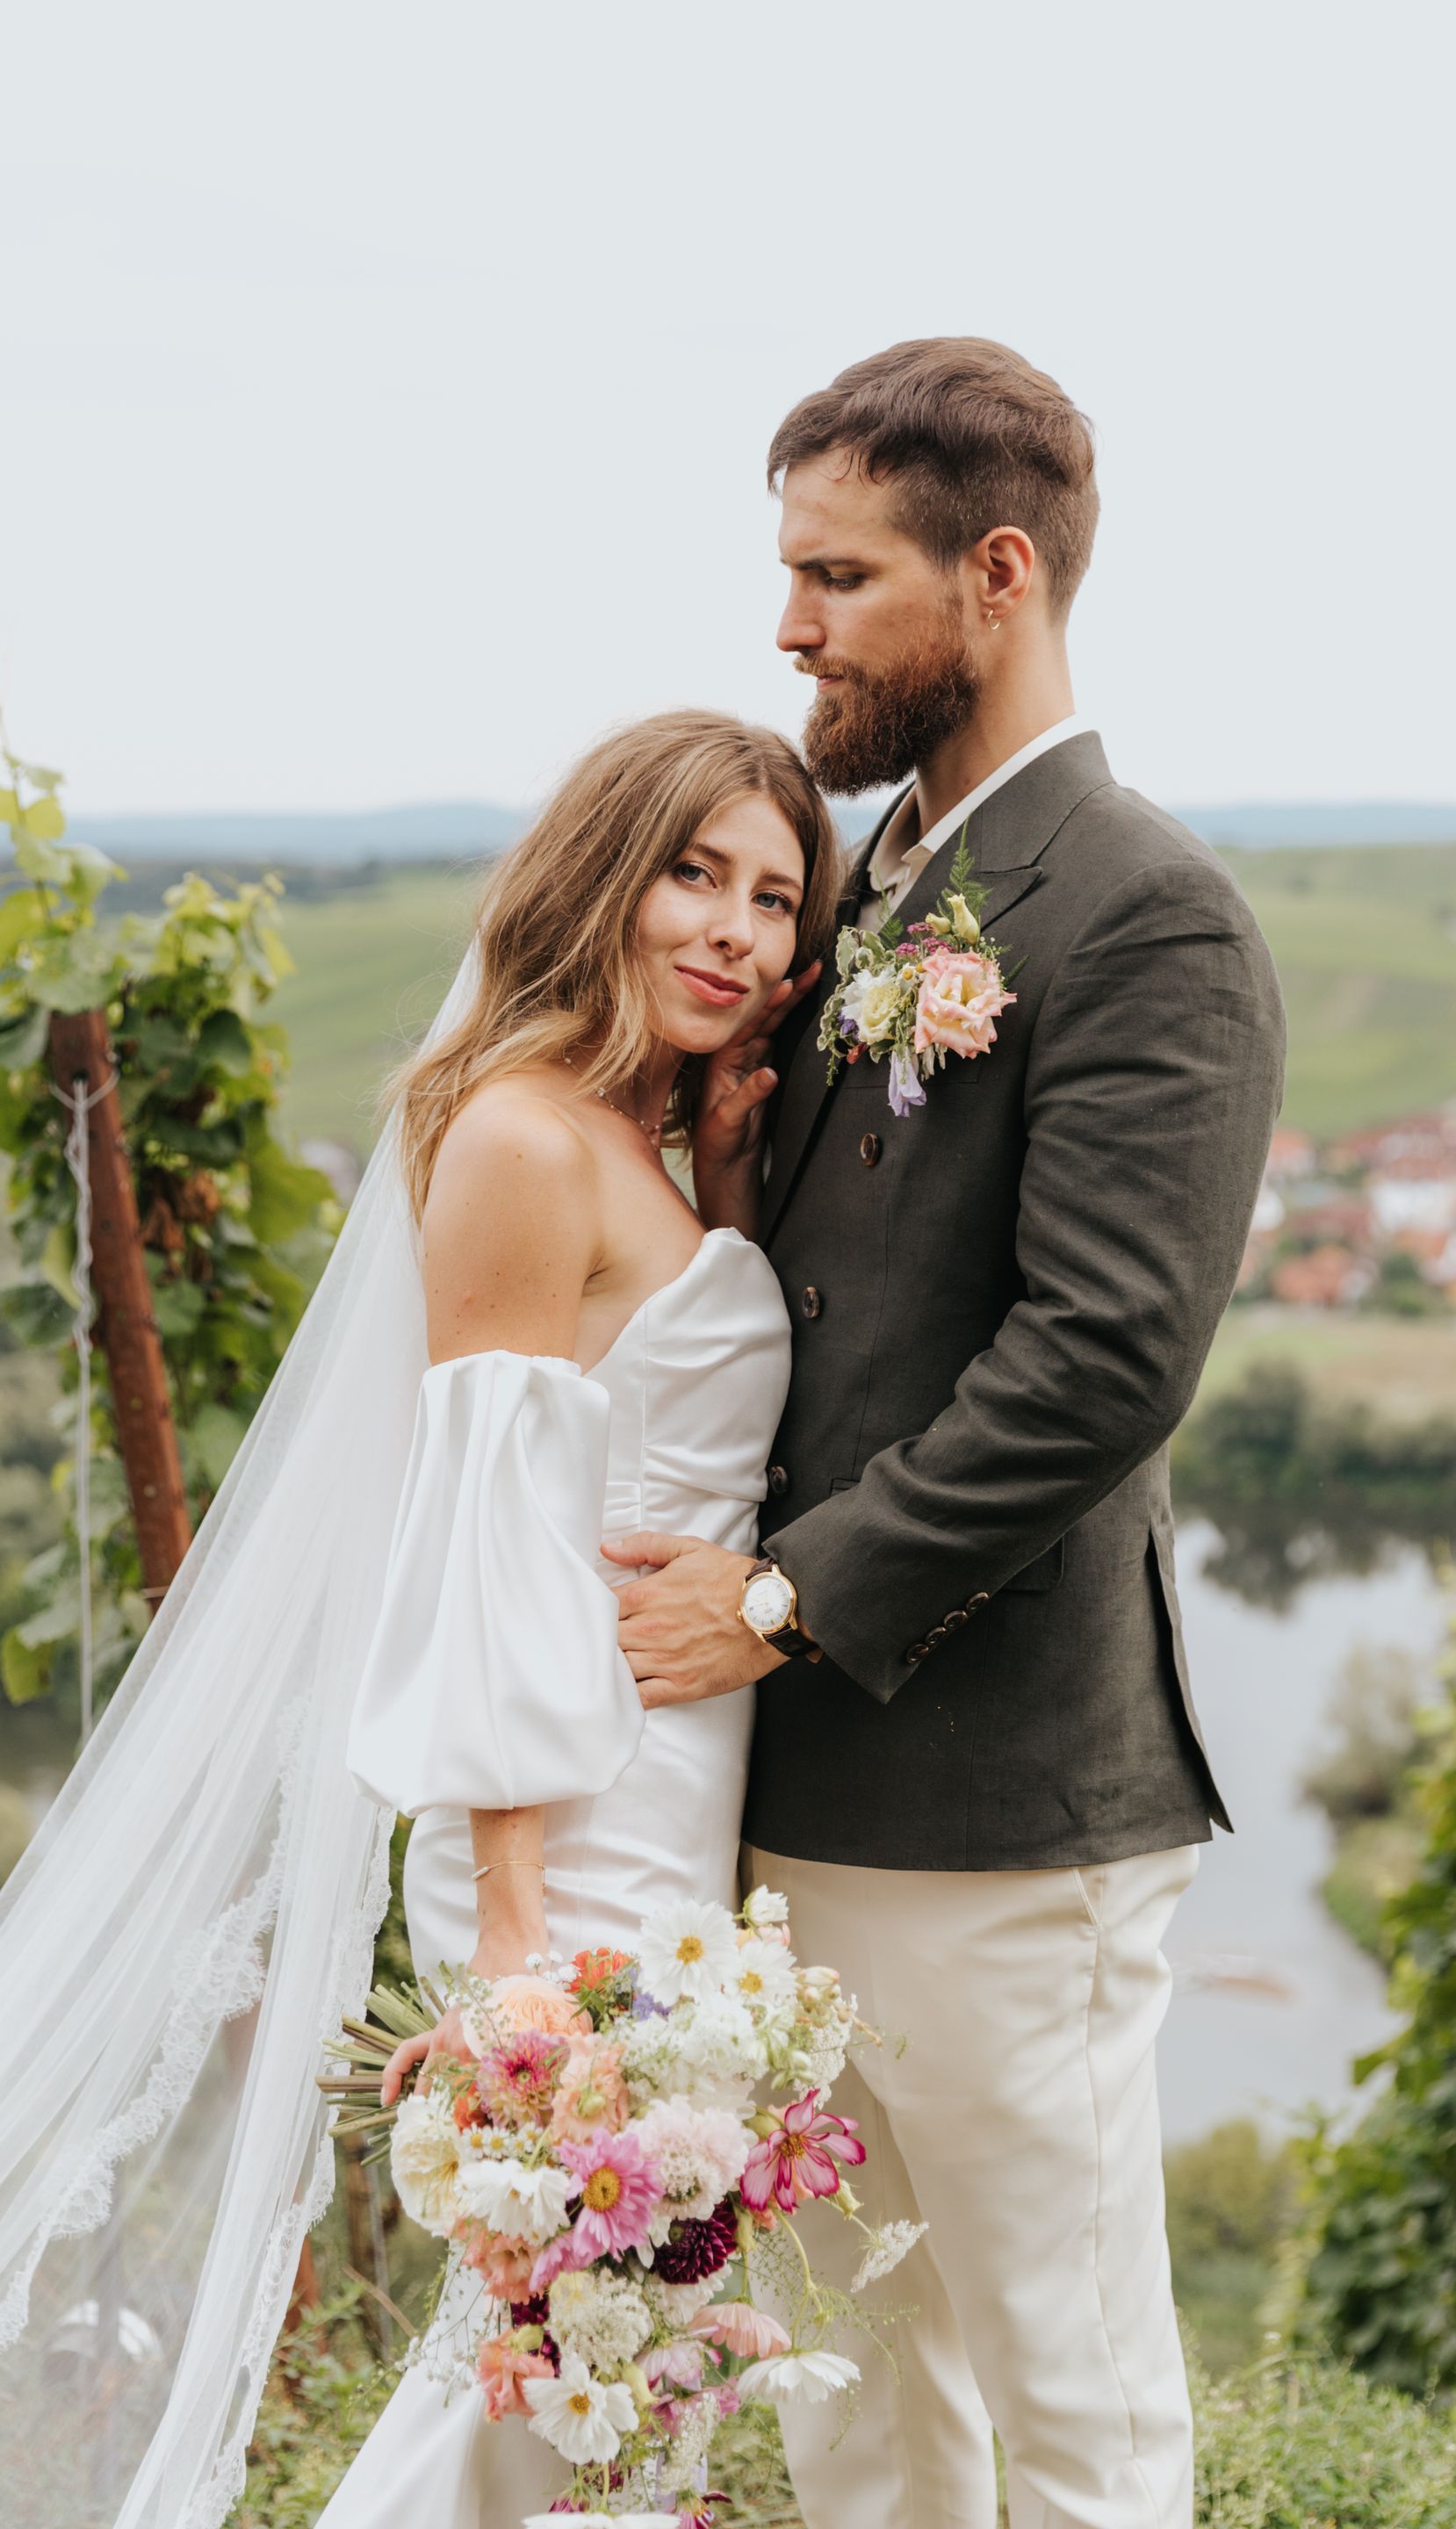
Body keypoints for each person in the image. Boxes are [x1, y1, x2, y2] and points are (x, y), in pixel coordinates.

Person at [0, 709, 835, 2527]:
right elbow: (484, 1547)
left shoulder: (634, 1135)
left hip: (672, 1792)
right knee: (564, 2354)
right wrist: (517, 1926)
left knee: (614, 2355)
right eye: (694, 874)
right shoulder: (522, 1140)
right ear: (601, 876)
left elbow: (658, 1395)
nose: (739, 934)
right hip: (566, 1819)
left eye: (777, 897)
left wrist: (731, 1181)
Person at [607, 339, 1287, 2529]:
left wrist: (788, 1595)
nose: (790, 625)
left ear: (997, 574)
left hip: (1005, 1812)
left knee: (1071, 2409)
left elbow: (1103, 1356)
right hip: (776, 1797)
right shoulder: (850, 884)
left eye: (836, 575)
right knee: (855, 2397)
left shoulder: (1150, 911)